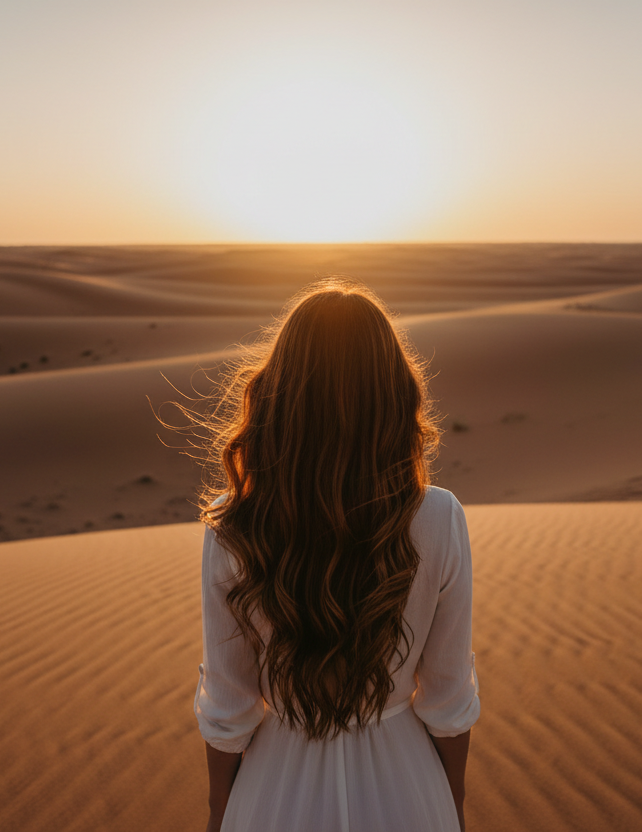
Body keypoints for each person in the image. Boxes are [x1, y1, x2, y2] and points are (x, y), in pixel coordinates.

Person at [193, 279, 480, 832]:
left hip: (275, 794)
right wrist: (454, 807)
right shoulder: (440, 517)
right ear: (394, 392)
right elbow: (447, 701)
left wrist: (217, 816)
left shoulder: (235, 522)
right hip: (408, 789)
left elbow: (228, 708)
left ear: (278, 392)